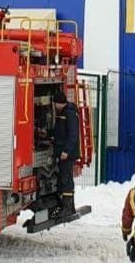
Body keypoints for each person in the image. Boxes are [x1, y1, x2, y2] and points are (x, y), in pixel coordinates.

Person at [51, 86, 80, 219]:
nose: (54, 106)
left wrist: (66, 151)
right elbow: (60, 131)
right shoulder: (64, 112)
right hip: (63, 152)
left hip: (67, 154)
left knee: (66, 180)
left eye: (55, 103)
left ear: (59, 103)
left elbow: (73, 135)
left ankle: (67, 208)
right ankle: (69, 207)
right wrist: (48, 133)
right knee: (65, 179)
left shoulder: (68, 113)